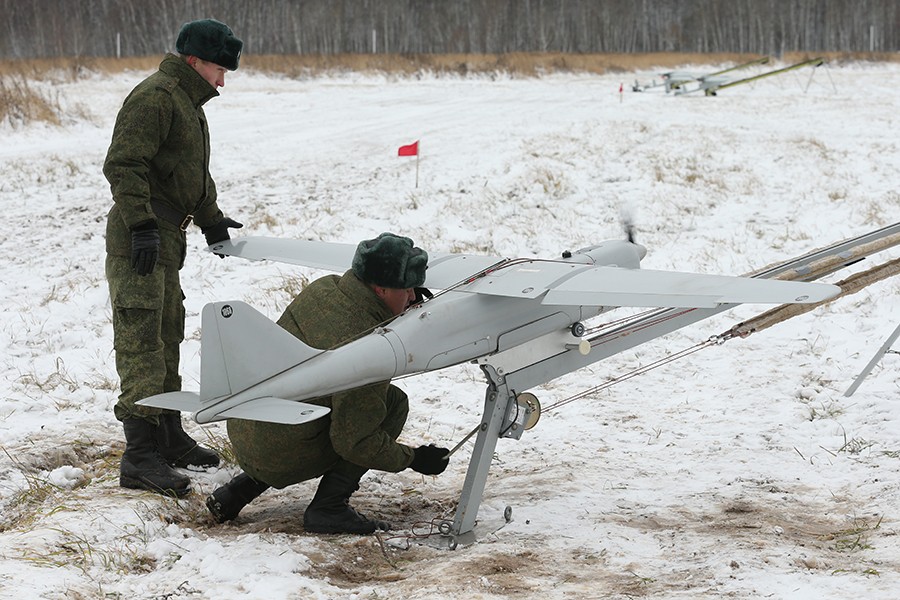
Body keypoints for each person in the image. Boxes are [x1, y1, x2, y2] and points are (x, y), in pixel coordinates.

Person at [206, 233, 451, 534]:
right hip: (281, 450)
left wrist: (403, 303)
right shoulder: (368, 344)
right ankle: (329, 508)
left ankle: (238, 490)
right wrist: (413, 459)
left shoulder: (323, 289)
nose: (414, 297)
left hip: (247, 427)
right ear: (381, 288)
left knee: (310, 401)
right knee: (393, 404)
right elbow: (356, 442)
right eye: (407, 289)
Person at [103, 19, 244, 497]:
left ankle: (168, 436)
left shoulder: (187, 103)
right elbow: (124, 164)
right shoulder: (157, 98)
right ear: (193, 61)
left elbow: (187, 177)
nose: (223, 80)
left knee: (166, 335)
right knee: (141, 339)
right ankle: (139, 457)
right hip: (141, 237)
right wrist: (141, 225)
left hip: (166, 236)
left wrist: (211, 219)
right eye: (219, 69)